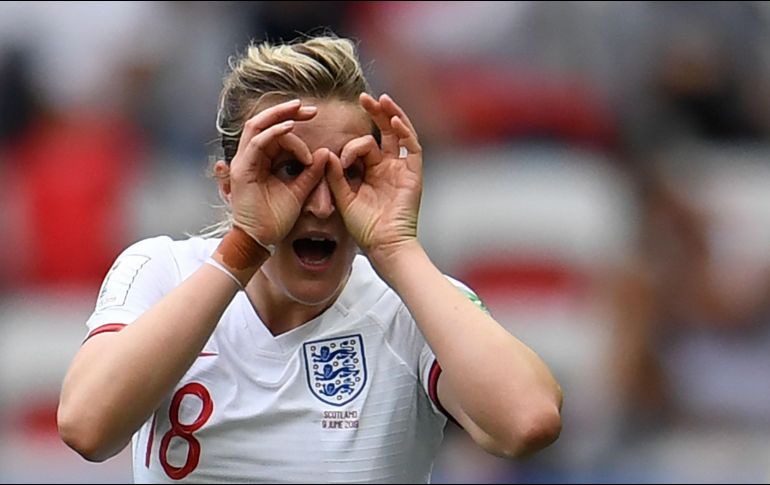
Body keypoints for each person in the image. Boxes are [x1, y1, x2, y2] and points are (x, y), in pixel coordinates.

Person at [56, 35, 563, 483]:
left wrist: (396, 247)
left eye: (351, 171)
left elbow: (528, 421)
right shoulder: (163, 271)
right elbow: (87, 427)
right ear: (230, 185)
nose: (321, 204)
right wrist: (244, 247)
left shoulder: (410, 305)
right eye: (287, 169)